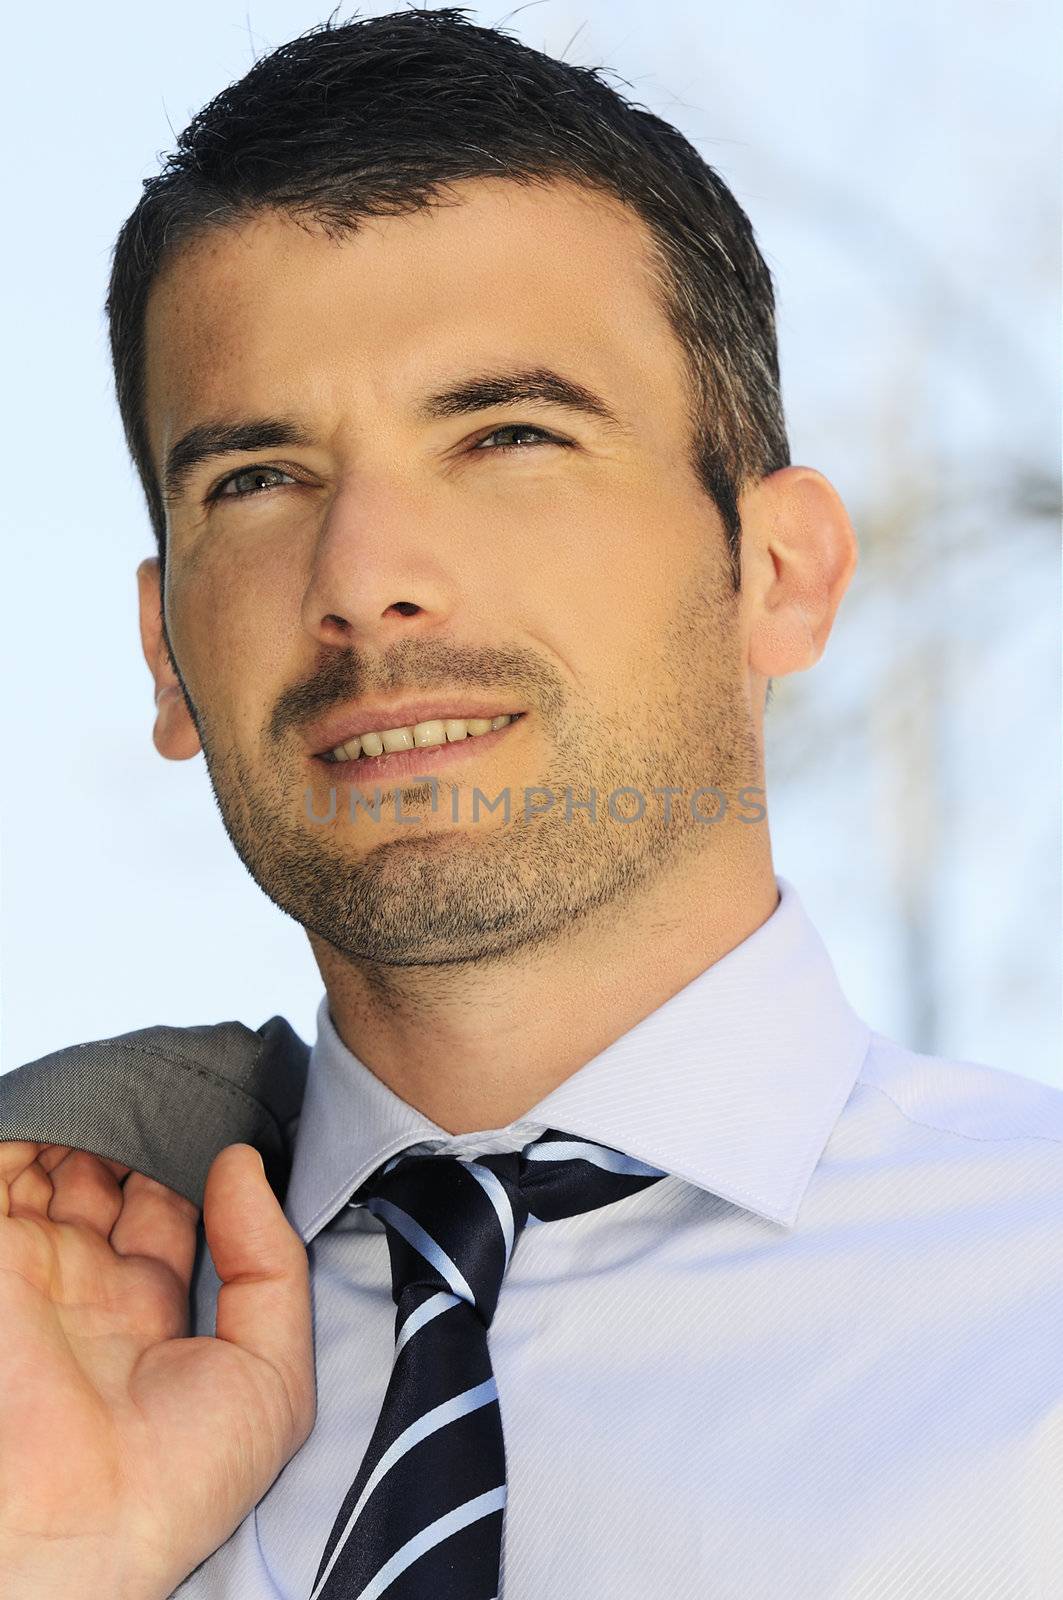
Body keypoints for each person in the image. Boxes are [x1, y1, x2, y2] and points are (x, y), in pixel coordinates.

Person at [2, 9, 1061, 1598]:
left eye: (508, 435)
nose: (365, 582)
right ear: (166, 652)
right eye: (259, 480)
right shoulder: (57, 1371)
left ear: (781, 573)